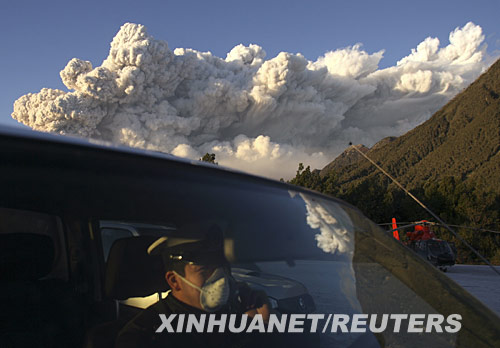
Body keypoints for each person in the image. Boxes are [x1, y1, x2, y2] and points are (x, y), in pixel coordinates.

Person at [115, 230, 270, 348]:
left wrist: (262, 326)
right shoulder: (144, 335)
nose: (220, 279)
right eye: (204, 271)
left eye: (222, 269)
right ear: (174, 281)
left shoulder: (235, 316)